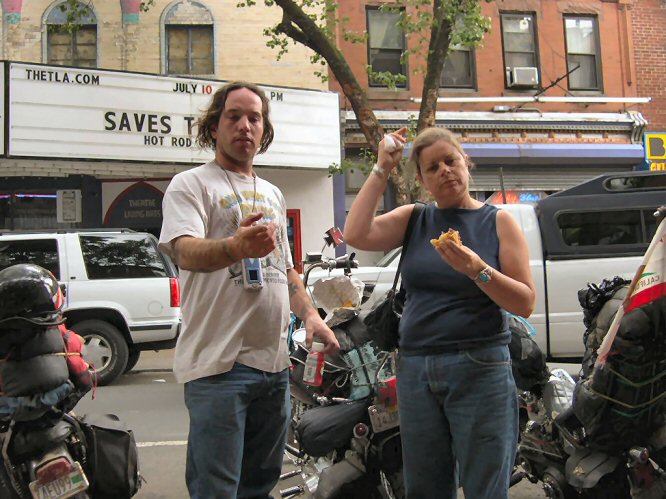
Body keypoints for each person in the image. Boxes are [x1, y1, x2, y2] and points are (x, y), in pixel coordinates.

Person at [158, 81, 339, 499]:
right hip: (218, 366)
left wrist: (311, 316)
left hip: (274, 367)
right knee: (216, 489)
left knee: (259, 486)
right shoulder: (191, 184)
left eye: (254, 117)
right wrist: (234, 247)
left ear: (264, 128)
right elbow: (184, 251)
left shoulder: (273, 193)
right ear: (214, 126)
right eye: (233, 116)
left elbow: (287, 270)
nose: (244, 125)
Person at [344, 126, 536, 498]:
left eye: (451, 161)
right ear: (422, 180)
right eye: (433, 168)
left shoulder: (498, 222)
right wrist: (382, 166)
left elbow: (524, 302)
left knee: (485, 485)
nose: (445, 170)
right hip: (416, 370)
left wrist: (477, 269)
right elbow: (356, 233)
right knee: (426, 486)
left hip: (480, 366)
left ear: (467, 163)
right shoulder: (415, 218)